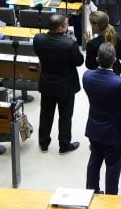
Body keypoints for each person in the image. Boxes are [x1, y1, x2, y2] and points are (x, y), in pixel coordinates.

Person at [82, 42, 121, 194]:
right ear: (115, 60)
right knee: (113, 167)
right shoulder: (119, 83)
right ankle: (111, 197)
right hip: (114, 131)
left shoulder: (87, 76)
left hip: (94, 127)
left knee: (94, 161)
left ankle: (91, 191)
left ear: (97, 59)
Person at [33, 13, 83, 153]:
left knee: (45, 114)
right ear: (61, 28)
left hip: (47, 83)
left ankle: (43, 143)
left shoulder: (38, 39)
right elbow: (79, 62)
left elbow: (37, 52)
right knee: (65, 116)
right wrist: (73, 41)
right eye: (66, 24)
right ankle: (64, 144)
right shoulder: (69, 44)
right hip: (66, 86)